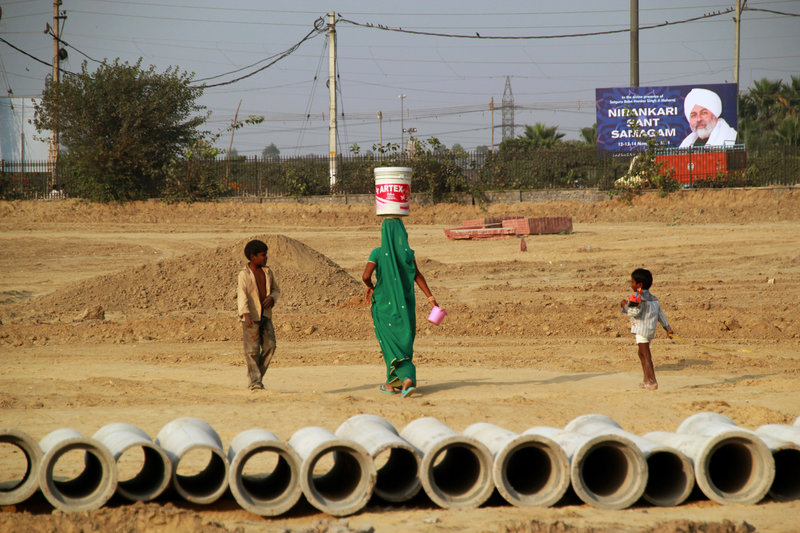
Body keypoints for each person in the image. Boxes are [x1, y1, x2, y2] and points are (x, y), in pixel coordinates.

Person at [362, 218, 438, 398]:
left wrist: (371, 286)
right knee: (404, 341)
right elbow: (417, 276)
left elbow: (365, 275)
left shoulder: (378, 253)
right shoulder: (407, 254)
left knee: (389, 343)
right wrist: (430, 298)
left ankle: (405, 379)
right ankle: (392, 383)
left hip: (383, 306)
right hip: (405, 307)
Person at [237, 239, 281, 391]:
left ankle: (256, 377)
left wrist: (272, 298)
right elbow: (241, 294)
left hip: (266, 316)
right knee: (252, 351)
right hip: (251, 317)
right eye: (263, 255)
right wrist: (245, 313)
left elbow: (276, 290)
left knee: (270, 346)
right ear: (253, 256)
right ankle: (255, 381)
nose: (266, 258)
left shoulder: (267, 272)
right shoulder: (244, 275)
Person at [620, 268, 673, 390]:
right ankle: (646, 379)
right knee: (642, 354)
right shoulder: (654, 298)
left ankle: (652, 381)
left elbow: (633, 313)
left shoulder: (637, 297)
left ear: (639, 284)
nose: (631, 284)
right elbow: (661, 315)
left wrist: (624, 306)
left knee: (646, 355)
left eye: (632, 282)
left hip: (641, 330)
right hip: (649, 330)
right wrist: (668, 328)